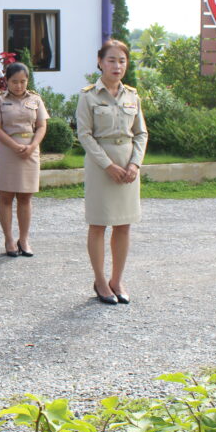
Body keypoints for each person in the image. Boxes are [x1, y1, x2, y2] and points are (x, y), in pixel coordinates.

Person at [75, 39, 147, 306]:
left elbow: (141, 133)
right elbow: (85, 135)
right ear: (100, 62)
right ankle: (100, 281)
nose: (117, 66)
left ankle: (117, 280)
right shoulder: (88, 96)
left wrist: (134, 164)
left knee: (123, 224)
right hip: (101, 167)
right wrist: (108, 165)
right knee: (98, 223)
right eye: (112, 60)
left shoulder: (132, 95)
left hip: (128, 167)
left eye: (122, 61)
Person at [0, 62, 48, 257]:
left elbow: (41, 126)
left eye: (22, 81)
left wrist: (33, 146)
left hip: (30, 151)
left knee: (25, 197)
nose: (19, 85)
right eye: (14, 81)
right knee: (6, 196)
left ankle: (24, 239)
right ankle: (9, 239)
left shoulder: (35, 99)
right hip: (7, 151)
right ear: (7, 81)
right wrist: (14, 146)